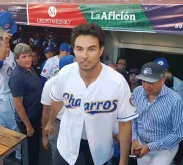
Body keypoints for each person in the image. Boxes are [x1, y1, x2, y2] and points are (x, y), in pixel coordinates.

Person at [45, 24, 138, 165]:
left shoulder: (117, 82)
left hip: (100, 147)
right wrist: (50, 122)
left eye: (91, 49)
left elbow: (125, 123)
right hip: (67, 142)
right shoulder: (65, 73)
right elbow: (57, 101)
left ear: (101, 50)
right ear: (74, 50)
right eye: (79, 49)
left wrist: (123, 160)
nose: (85, 56)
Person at [131, 62, 183, 165]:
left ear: (163, 80)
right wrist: (134, 139)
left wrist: (150, 147)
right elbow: (134, 118)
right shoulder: (137, 92)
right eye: (144, 81)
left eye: (151, 82)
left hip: (164, 149)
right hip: (141, 144)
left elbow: (179, 133)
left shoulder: (175, 100)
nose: (146, 86)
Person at [0, 34, 21, 160]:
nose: (7, 49)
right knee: (13, 126)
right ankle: (18, 154)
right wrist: (5, 41)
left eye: (8, 47)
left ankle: (5, 150)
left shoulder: (10, 54)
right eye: (4, 47)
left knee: (3, 125)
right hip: (4, 97)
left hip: (7, 96)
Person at [9, 43, 42, 165]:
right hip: (27, 120)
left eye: (29, 56)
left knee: (34, 149)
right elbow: (18, 105)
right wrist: (28, 125)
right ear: (17, 59)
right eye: (24, 56)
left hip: (35, 116)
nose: (28, 59)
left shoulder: (29, 68)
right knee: (28, 152)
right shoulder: (17, 77)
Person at [41, 55, 75, 158]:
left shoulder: (82, 83)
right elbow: (46, 112)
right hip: (56, 124)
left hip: (74, 124)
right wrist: (44, 136)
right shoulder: (50, 84)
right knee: (57, 156)